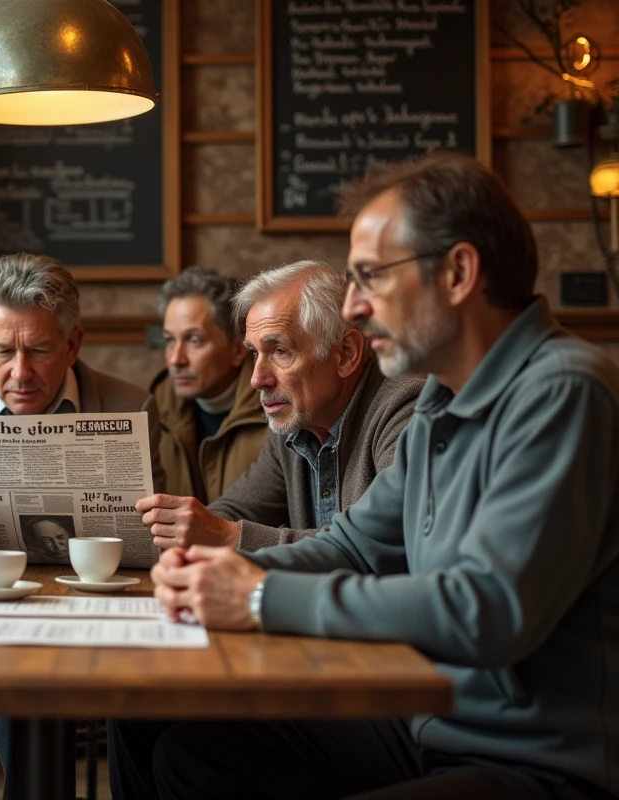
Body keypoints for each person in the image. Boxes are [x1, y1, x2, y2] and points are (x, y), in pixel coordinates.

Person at [115, 153, 619, 799]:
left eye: (371, 277)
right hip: (432, 723)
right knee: (190, 747)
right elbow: (354, 546)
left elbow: (486, 610)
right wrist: (217, 575)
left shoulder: (562, 391)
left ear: (460, 272)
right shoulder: (444, 398)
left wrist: (259, 597)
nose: (353, 306)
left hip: (537, 762)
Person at [0, 252, 166, 568]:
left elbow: (152, 530)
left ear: (72, 346)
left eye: (38, 350)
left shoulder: (132, 408)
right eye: (4, 351)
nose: (20, 372)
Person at [138, 261, 422, 553]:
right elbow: (233, 512)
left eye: (280, 351)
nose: (257, 379)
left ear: (345, 354)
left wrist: (228, 537)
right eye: (255, 353)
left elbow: (378, 543)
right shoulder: (295, 422)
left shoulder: (406, 409)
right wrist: (183, 531)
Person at [151, 266, 266, 502]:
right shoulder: (154, 408)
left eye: (194, 340)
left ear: (238, 349)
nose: (175, 359)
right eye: (170, 341)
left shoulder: (277, 409)